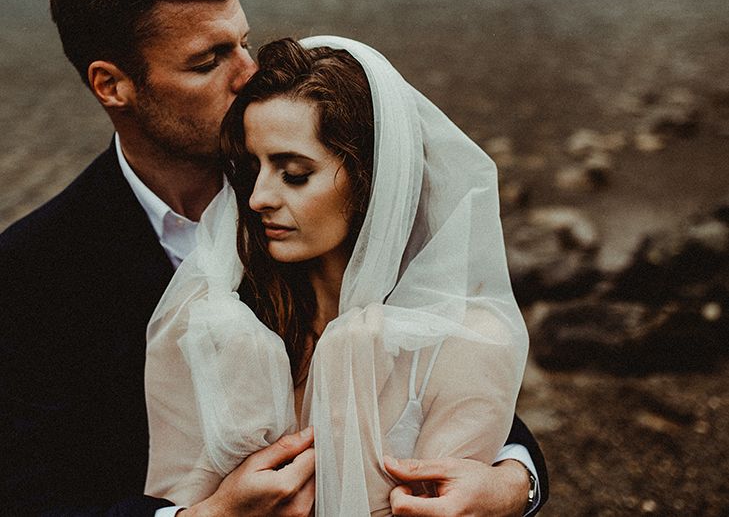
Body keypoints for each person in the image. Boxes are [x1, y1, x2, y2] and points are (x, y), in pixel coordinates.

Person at [0, 0, 547, 516]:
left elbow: (451, 369)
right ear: (113, 85)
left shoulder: (329, 207)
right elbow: (29, 492)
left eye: (243, 41)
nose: (247, 72)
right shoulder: (30, 273)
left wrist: (515, 482)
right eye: (209, 60)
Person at [144, 36, 537, 517]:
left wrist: (518, 483)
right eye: (253, 169)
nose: (257, 198)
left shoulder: (467, 344)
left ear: (371, 176)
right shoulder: (215, 323)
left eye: (293, 173)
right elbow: (170, 497)